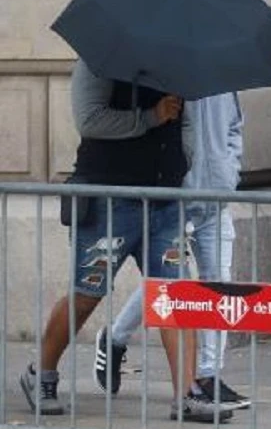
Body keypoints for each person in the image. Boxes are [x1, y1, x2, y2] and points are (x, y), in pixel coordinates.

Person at [20, 61, 232, 423]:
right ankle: (41, 373)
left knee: (175, 295)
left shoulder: (176, 63)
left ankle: (186, 394)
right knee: (87, 293)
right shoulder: (98, 59)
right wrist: (151, 116)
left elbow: (187, 120)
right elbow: (89, 120)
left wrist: (183, 160)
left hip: (164, 199)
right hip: (108, 198)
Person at [92, 92, 250, 410]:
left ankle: (207, 375)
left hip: (216, 198)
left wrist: (228, 174)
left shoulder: (225, 81)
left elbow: (234, 126)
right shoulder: (175, 78)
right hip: (176, 198)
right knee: (173, 285)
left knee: (218, 284)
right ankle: (116, 337)